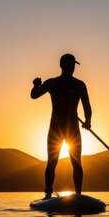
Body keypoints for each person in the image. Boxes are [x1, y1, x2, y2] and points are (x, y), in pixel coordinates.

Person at [31, 53, 92, 200]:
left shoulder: (80, 85)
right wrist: (36, 85)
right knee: (52, 162)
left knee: (76, 163)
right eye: (70, 65)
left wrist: (88, 120)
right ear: (62, 66)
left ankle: (78, 195)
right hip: (55, 130)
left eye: (73, 65)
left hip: (73, 130)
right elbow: (34, 95)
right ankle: (47, 194)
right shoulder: (52, 83)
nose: (72, 68)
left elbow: (87, 106)